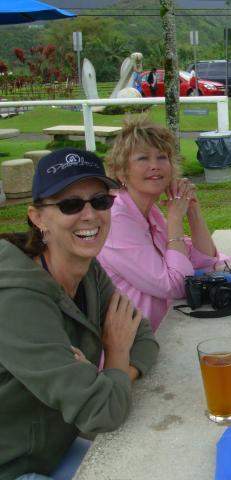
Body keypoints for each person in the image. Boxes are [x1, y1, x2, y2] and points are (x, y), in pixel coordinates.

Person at [0, 148, 159, 480]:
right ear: (37, 217)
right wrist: (116, 355)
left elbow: (143, 338)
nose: (90, 215)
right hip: (16, 466)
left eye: (100, 201)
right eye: (70, 205)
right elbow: (103, 412)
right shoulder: (15, 301)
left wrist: (107, 380)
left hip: (56, 447)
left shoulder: (87, 269)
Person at [98, 116, 229, 331]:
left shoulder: (150, 213)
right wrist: (175, 218)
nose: (155, 166)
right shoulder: (115, 219)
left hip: (165, 328)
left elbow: (205, 261)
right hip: (135, 341)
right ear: (121, 171)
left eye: (161, 157)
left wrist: (192, 208)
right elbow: (176, 285)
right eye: (143, 158)